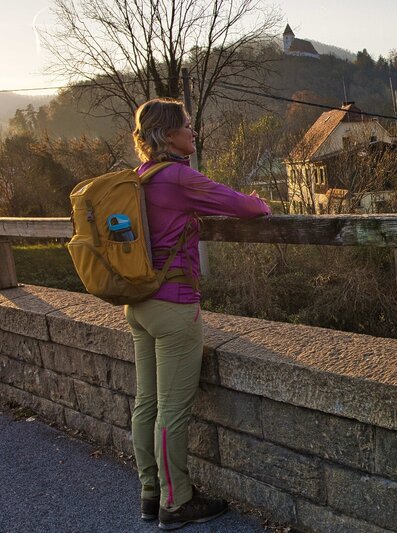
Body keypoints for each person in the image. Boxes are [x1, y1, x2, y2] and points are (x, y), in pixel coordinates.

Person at [125, 98, 270, 530]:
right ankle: (177, 502)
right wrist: (260, 202)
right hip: (174, 306)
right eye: (187, 126)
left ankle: (151, 494)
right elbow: (244, 207)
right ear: (167, 136)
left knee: (146, 402)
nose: (193, 132)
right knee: (172, 407)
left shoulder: (140, 178)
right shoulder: (178, 177)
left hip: (140, 303)